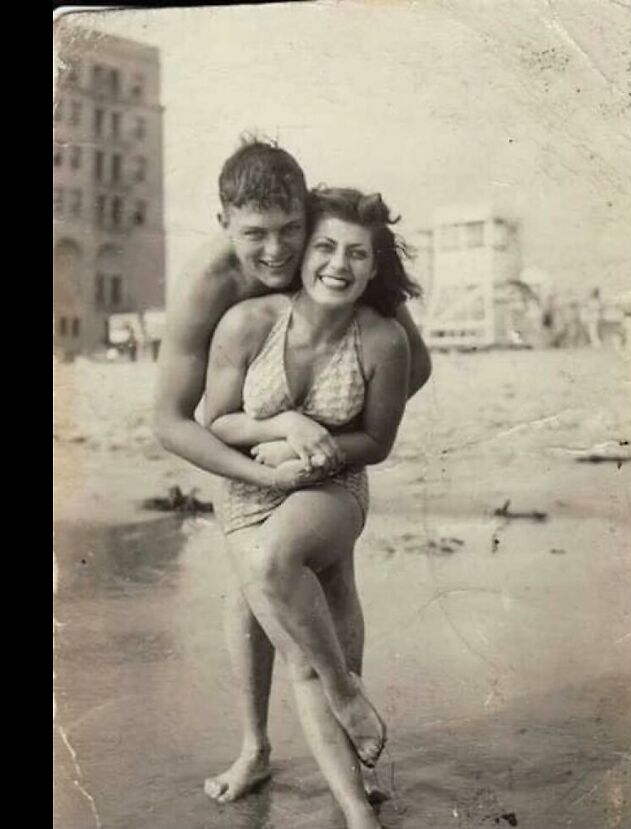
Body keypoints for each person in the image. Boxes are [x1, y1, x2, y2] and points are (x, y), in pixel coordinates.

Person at [153, 139, 432, 801]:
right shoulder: (212, 283)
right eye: (255, 236)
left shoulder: (334, 253)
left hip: (325, 458)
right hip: (247, 451)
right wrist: (267, 463)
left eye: (289, 232)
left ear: (306, 216)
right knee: (251, 588)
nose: (276, 253)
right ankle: (255, 747)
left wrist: (325, 437)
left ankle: (352, 761)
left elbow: (412, 364)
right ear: (224, 223)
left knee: (334, 588)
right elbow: (170, 419)